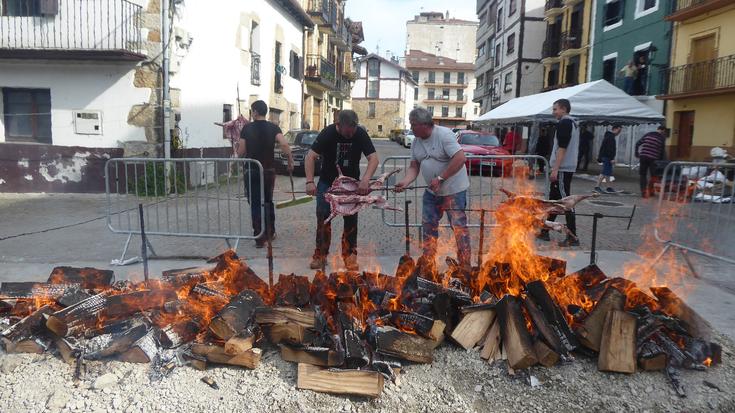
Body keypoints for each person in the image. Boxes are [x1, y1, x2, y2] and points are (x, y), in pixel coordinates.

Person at [395, 107, 471, 268]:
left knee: (459, 228)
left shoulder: (443, 135)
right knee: (428, 226)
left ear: (424, 124)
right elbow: (414, 166)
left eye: (413, 124)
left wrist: (441, 178)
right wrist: (406, 181)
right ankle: (428, 263)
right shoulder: (416, 141)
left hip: (454, 191)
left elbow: (460, 158)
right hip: (432, 192)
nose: (411, 127)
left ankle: (465, 264)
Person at [305, 110, 378, 271]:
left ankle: (350, 256)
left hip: (352, 185)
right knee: (323, 220)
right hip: (327, 184)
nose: (351, 134)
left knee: (351, 221)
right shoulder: (328, 133)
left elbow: (374, 158)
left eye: (353, 130)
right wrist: (310, 181)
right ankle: (320, 256)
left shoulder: (360, 134)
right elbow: (310, 156)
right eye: (347, 131)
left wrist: (365, 180)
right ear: (339, 125)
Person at [237, 100, 293, 248]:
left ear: (255, 112)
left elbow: (241, 151)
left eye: (251, 110)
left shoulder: (247, 129)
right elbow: (285, 145)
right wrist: (290, 160)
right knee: (267, 201)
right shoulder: (274, 128)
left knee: (255, 203)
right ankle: (270, 232)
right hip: (268, 171)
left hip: (252, 170)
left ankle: (259, 238)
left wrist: (237, 155)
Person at [537, 98, 579, 247]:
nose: (553, 112)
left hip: (563, 168)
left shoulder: (565, 123)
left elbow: (562, 147)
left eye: (555, 109)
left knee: (566, 202)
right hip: (564, 167)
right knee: (554, 201)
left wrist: (555, 169)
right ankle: (544, 231)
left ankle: (572, 236)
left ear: (563, 109)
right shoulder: (571, 123)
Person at [635, 125, 668, 198]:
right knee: (653, 176)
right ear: (663, 131)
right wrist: (661, 162)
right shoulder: (661, 138)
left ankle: (643, 192)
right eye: (664, 132)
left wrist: (637, 153)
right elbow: (662, 152)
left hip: (643, 157)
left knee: (643, 175)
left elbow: (637, 143)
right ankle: (650, 191)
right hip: (653, 159)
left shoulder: (648, 134)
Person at [595, 124, 622, 193]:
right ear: (614, 129)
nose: (619, 132)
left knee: (607, 173)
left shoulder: (609, 136)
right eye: (618, 130)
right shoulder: (610, 138)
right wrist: (611, 158)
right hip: (607, 157)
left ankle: (608, 187)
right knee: (604, 172)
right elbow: (609, 149)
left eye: (620, 131)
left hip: (606, 157)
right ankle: (597, 186)